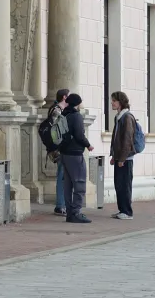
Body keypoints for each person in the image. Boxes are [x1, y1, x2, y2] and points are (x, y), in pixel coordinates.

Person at [58, 93, 94, 223]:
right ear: (77, 103)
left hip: (64, 153)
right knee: (79, 183)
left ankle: (69, 213)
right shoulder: (76, 116)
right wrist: (88, 145)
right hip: (75, 153)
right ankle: (76, 212)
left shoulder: (64, 114)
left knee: (67, 185)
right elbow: (79, 135)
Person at [109, 91, 137, 220]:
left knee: (125, 184)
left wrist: (122, 158)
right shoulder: (119, 117)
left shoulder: (127, 117)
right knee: (119, 184)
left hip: (125, 158)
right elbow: (116, 138)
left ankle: (127, 211)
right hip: (119, 157)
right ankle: (122, 210)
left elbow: (127, 139)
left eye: (114, 101)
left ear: (120, 102)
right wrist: (114, 156)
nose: (112, 103)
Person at [41, 89, 69, 216]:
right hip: (59, 149)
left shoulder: (57, 109)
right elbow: (56, 131)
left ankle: (62, 204)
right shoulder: (57, 110)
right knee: (62, 176)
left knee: (63, 175)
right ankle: (60, 205)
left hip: (58, 148)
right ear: (64, 97)